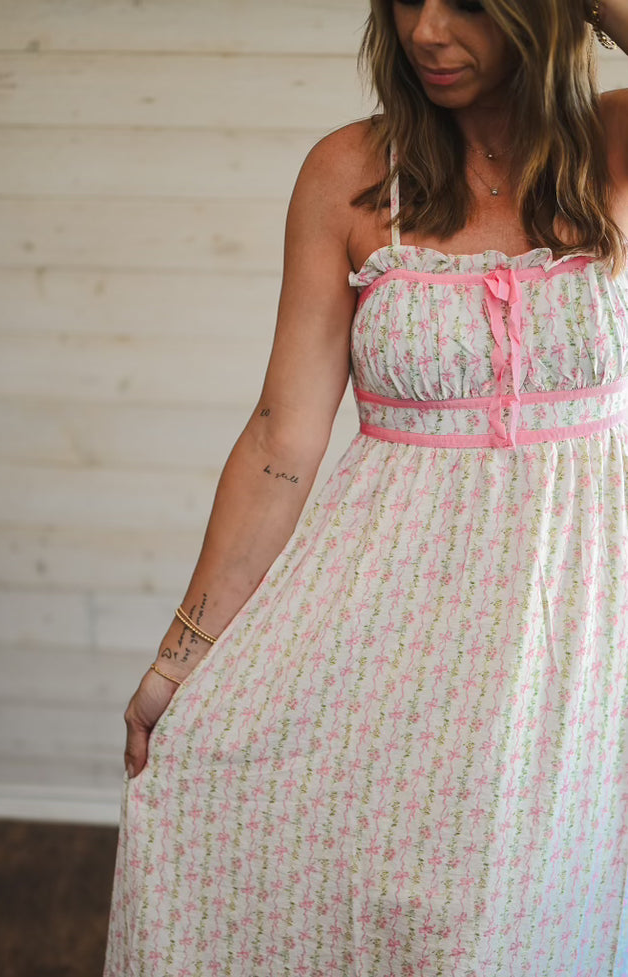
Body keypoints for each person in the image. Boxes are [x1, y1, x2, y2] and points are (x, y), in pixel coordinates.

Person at [104, 1, 628, 973]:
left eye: (465, 1)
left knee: (519, 924)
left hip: (573, 643)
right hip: (386, 631)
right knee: (398, 916)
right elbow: (281, 440)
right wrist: (180, 659)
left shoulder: (613, 147)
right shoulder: (349, 173)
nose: (425, 29)